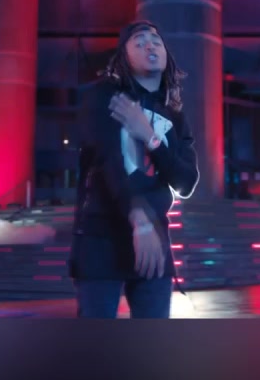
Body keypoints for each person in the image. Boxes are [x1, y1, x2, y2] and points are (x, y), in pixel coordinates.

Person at [68, 20, 199, 318]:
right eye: (139, 42)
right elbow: (107, 161)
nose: (149, 45)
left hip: (154, 242)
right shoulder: (106, 97)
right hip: (102, 238)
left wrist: (150, 136)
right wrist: (138, 217)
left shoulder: (174, 116)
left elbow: (186, 181)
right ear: (123, 58)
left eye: (156, 41)